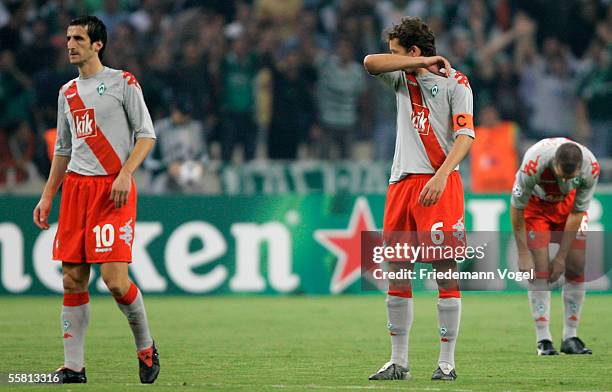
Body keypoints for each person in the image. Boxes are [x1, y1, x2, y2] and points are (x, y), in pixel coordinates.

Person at [32, 16, 160, 384]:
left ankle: (146, 346)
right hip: (75, 189)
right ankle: (74, 367)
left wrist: (125, 174)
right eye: (68, 38)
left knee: (115, 280)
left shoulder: (123, 82)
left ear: (97, 44)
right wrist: (46, 196)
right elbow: (62, 149)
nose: (70, 44)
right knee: (72, 279)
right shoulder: (66, 92)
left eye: (78, 38)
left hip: (112, 190)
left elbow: (147, 135)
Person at [363, 16, 474, 381]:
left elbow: (466, 136)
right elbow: (369, 63)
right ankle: (398, 361)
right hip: (400, 184)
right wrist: (418, 62)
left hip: (439, 185)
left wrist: (442, 176)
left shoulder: (456, 83)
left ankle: (446, 362)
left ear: (412, 48)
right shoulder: (402, 75)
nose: (389, 56)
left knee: (444, 271)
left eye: (397, 50)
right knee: (397, 270)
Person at [510, 138, 598, 356]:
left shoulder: (591, 167)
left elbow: (578, 212)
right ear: (554, 164)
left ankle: (570, 336)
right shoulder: (533, 163)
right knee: (539, 270)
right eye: (561, 176)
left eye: (571, 178)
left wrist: (560, 257)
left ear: (579, 168)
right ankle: (543, 339)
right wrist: (522, 253)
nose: (566, 183)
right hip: (536, 208)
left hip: (568, 210)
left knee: (576, 266)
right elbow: (516, 207)